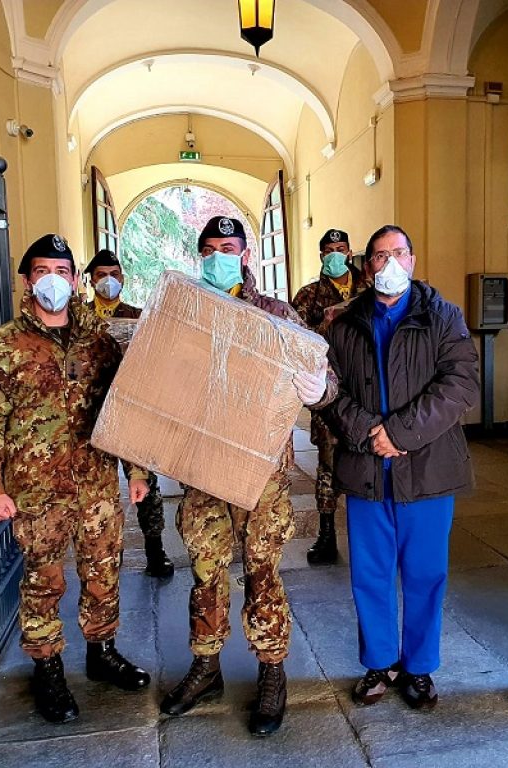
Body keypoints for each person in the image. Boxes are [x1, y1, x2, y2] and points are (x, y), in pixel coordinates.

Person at [0, 234, 152, 724]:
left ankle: (101, 651)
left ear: (74, 280)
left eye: (62, 271)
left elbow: (125, 409)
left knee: (103, 572)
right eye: (43, 271)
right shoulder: (2, 347)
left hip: (96, 484)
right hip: (36, 490)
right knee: (43, 580)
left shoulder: (99, 342)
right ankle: (47, 668)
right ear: (28, 281)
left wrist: (136, 470)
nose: (53, 280)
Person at [159, 216, 335, 736]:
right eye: (210, 248)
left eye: (229, 247)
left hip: (262, 475)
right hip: (201, 471)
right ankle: (206, 666)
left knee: (262, 571)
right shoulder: (185, 312)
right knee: (205, 570)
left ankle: (272, 671)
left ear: (245, 255)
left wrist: (318, 390)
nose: (220, 256)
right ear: (201, 256)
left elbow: (325, 377)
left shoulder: (276, 314)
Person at [324, 225, 480, 710]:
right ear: (366, 266)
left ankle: (418, 668)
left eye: (398, 253)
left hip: (428, 469)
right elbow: (327, 391)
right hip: (366, 469)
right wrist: (369, 431)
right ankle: (378, 662)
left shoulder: (443, 316)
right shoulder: (344, 323)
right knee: (369, 574)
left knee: (425, 574)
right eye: (379, 256)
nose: (389, 263)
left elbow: (460, 384)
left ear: (412, 260)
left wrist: (400, 433)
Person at [83, 249, 173, 578]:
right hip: (91, 413)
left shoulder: (139, 316)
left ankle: (155, 550)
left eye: (115, 274)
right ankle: (103, 553)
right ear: (90, 280)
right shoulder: (79, 319)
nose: (108, 280)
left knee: (145, 481)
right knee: (96, 487)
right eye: (101, 275)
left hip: (132, 412)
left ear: (123, 278)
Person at [290, 228, 364, 565]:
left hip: (366, 391)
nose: (336, 254)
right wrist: (329, 323)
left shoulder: (370, 287)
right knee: (328, 466)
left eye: (341, 248)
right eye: (329, 249)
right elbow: (297, 342)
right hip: (328, 395)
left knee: (368, 465)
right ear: (321, 256)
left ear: (349, 252)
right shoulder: (308, 296)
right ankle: (326, 534)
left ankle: (366, 538)